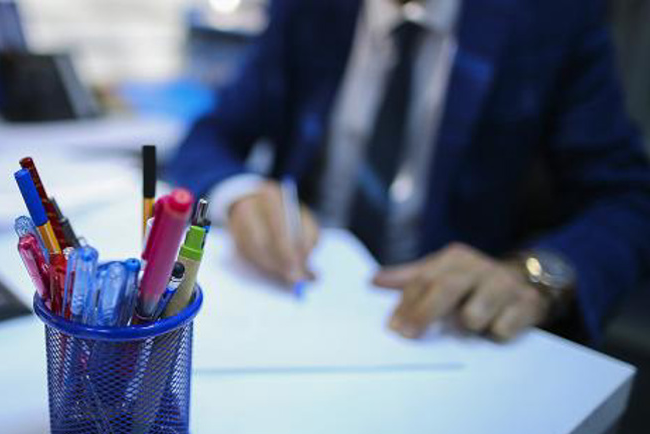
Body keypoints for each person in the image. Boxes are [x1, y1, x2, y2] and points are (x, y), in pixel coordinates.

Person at [166, 0, 650, 343]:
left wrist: (534, 275)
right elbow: (212, 134)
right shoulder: (308, 10)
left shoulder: (554, 16)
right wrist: (243, 193)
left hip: (445, 326)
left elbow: (627, 199)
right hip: (303, 293)